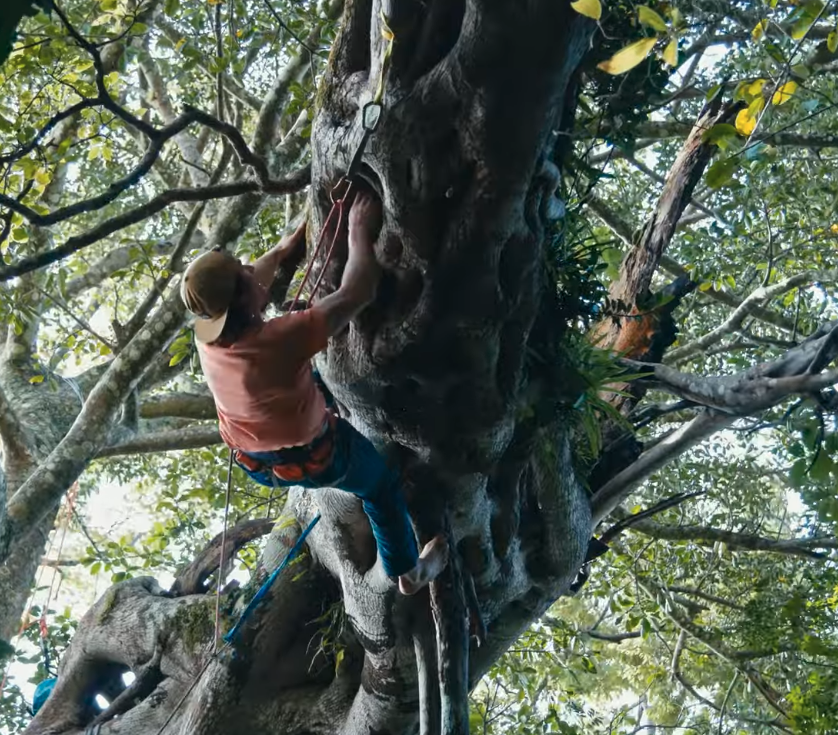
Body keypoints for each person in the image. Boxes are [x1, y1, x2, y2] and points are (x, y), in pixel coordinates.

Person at [180, 192, 448, 594]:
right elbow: (359, 291)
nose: (254, 270)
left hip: (255, 461)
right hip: (318, 457)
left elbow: (262, 272)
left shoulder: (210, 339)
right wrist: (357, 229)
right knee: (380, 490)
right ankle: (409, 572)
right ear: (240, 299)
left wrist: (295, 241)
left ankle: (323, 412)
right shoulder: (280, 339)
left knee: (313, 376)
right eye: (244, 272)